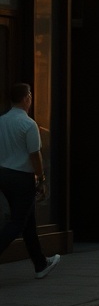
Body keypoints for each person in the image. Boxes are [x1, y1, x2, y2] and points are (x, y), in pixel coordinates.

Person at [0, 83, 61, 278]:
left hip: (4, 175)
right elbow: (35, 154)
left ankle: (40, 263)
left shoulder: (2, 121)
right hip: (22, 177)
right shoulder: (28, 124)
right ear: (27, 98)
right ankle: (40, 264)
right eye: (30, 96)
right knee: (18, 222)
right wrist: (41, 178)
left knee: (28, 222)